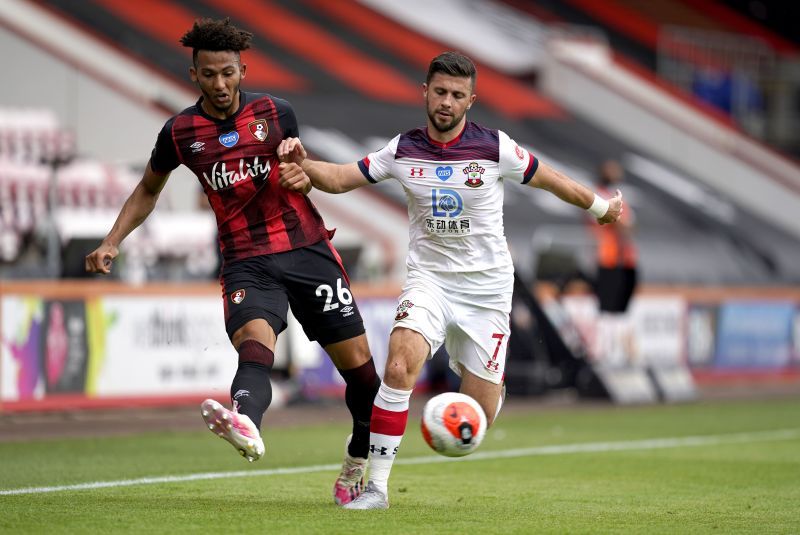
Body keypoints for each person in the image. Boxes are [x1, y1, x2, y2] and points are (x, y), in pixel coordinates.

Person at [277, 51, 623, 509]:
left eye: (457, 95)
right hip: (430, 281)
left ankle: (491, 385)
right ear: (425, 92)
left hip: (487, 292)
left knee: (475, 421)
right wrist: (305, 167)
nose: (446, 102)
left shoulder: (494, 148)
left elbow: (550, 180)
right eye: (440, 91)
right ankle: (375, 486)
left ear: (471, 100)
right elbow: (341, 178)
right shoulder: (402, 149)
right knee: (399, 366)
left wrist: (599, 208)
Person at [84, 18, 381, 507]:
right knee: (254, 346)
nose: (219, 85)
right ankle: (246, 423)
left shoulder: (275, 112)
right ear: (193, 75)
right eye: (209, 75)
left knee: (365, 383)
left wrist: (296, 162)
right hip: (246, 259)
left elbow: (297, 167)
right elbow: (147, 189)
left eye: (227, 73)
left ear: (242, 70)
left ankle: (356, 457)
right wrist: (113, 239)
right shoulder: (179, 132)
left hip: (306, 251)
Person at [589, 159, 638, 366]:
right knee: (607, 310)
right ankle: (605, 355)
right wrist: (621, 222)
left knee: (620, 310)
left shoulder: (617, 197)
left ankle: (620, 354)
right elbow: (619, 222)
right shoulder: (599, 195)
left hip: (624, 260)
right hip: (608, 259)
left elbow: (628, 224)